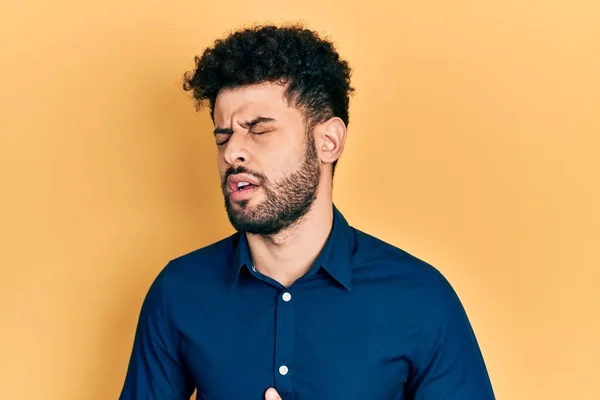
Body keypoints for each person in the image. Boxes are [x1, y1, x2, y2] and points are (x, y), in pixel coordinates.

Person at [119, 23, 496, 400]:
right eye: (223, 136)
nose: (232, 152)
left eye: (258, 129)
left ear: (328, 142)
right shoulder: (178, 291)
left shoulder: (420, 298)